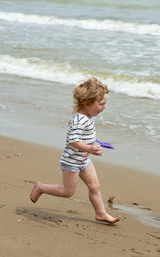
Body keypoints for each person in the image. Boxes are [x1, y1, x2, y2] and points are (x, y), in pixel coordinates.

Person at [30, 77, 119, 224]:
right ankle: (41, 187)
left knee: (94, 186)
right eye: (101, 104)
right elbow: (73, 140)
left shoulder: (86, 116)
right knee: (67, 192)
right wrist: (89, 148)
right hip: (72, 161)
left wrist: (90, 143)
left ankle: (101, 213)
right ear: (87, 103)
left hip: (83, 159)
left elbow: (80, 133)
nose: (104, 107)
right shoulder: (80, 119)